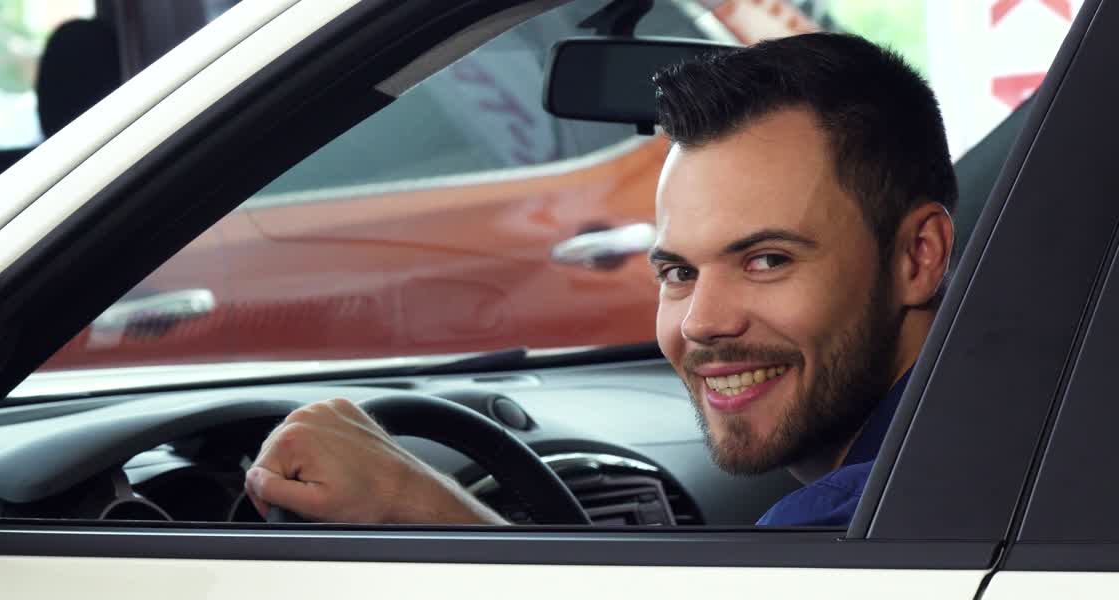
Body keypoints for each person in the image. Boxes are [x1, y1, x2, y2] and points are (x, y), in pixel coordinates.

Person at [243, 32, 956, 527]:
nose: (702, 322)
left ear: (917, 257)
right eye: (678, 271)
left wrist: (417, 506)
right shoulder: (995, 443)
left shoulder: (871, 517)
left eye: (766, 260)